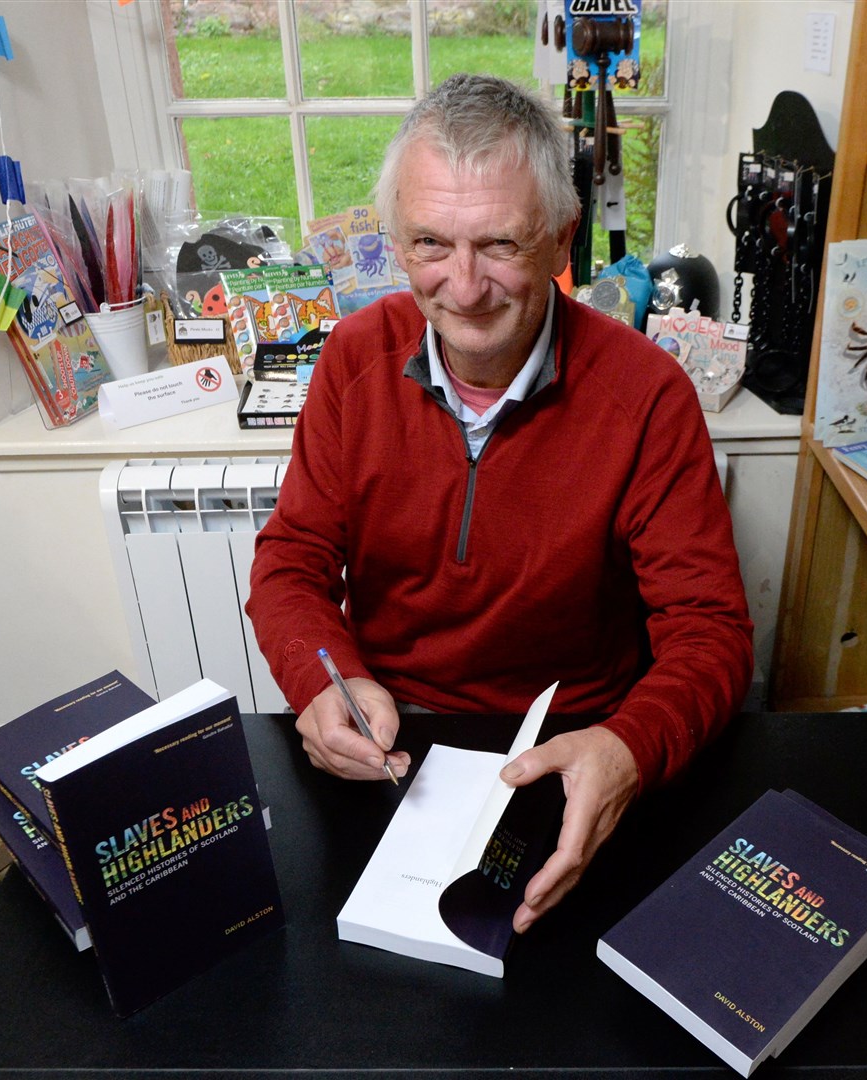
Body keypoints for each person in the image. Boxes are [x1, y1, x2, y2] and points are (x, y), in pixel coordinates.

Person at [248, 73, 752, 933]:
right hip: (392, 737)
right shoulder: (351, 362)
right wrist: (321, 681)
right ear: (396, 240)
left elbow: (710, 631)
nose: (465, 286)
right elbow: (289, 565)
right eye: (430, 244)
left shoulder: (648, 396)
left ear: (560, 237)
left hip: (574, 746)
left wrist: (630, 745)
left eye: (501, 247)